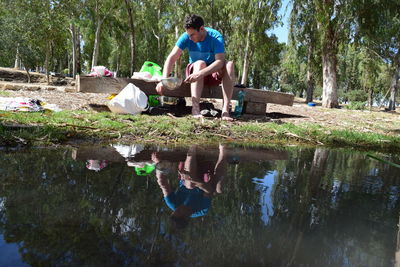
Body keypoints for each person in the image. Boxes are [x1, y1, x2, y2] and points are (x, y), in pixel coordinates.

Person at [156, 14, 236, 121]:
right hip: (195, 72)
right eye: (188, 35)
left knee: (229, 64)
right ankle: (195, 109)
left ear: (201, 29)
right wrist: (163, 80)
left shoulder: (216, 37)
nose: (190, 38)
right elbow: (172, 57)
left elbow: (220, 62)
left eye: (192, 35)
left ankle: (225, 111)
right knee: (199, 63)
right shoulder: (186, 36)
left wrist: (201, 74)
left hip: (209, 74)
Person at [152, 145, 228, 228]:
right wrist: (195, 181)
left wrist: (158, 164)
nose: (179, 208)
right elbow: (209, 191)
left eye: (176, 210)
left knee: (189, 185)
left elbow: (163, 183)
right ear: (186, 217)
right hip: (204, 180)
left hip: (187, 174)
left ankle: (192, 148)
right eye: (180, 211)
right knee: (219, 189)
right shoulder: (202, 210)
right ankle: (223, 150)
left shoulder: (172, 203)